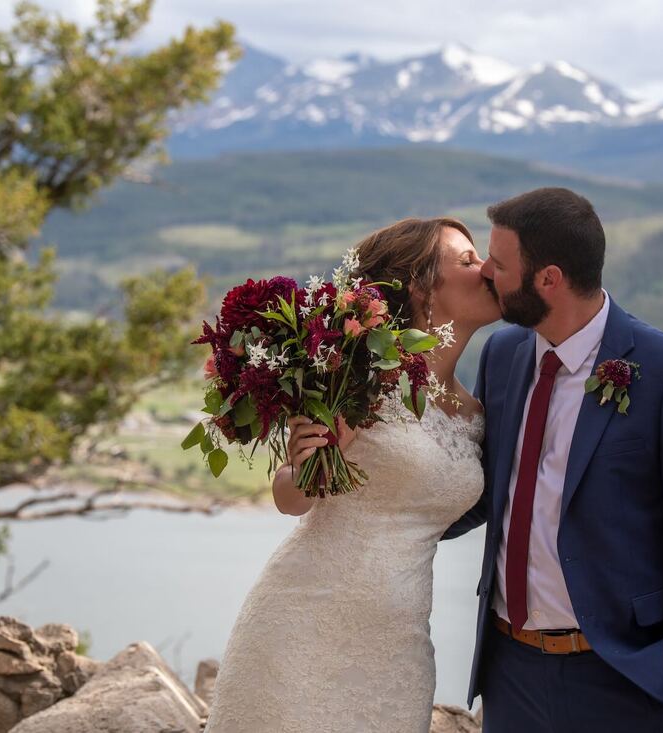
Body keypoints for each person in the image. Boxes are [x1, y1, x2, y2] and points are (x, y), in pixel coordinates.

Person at [444, 187, 663, 731]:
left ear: (548, 279)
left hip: (623, 678)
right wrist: (387, 517)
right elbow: (487, 489)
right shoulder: (504, 355)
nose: (486, 270)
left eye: (500, 263)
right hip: (509, 673)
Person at [203, 217, 502, 732]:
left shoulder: (476, 413)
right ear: (419, 287)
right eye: (468, 261)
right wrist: (306, 460)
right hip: (302, 623)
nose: (488, 269)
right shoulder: (355, 375)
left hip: (398, 647)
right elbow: (290, 497)